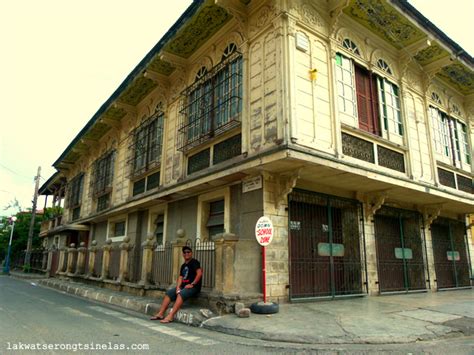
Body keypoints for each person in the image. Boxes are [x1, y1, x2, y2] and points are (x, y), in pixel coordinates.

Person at [150, 245, 202, 323]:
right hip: (184, 286)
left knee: (181, 293)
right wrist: (178, 287)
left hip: (193, 287)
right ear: (183, 254)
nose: (186, 253)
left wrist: (192, 284)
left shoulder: (194, 262)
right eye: (184, 252)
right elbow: (180, 277)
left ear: (191, 253)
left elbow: (199, 273)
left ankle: (171, 316)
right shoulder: (183, 265)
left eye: (188, 252)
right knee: (169, 293)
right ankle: (160, 313)